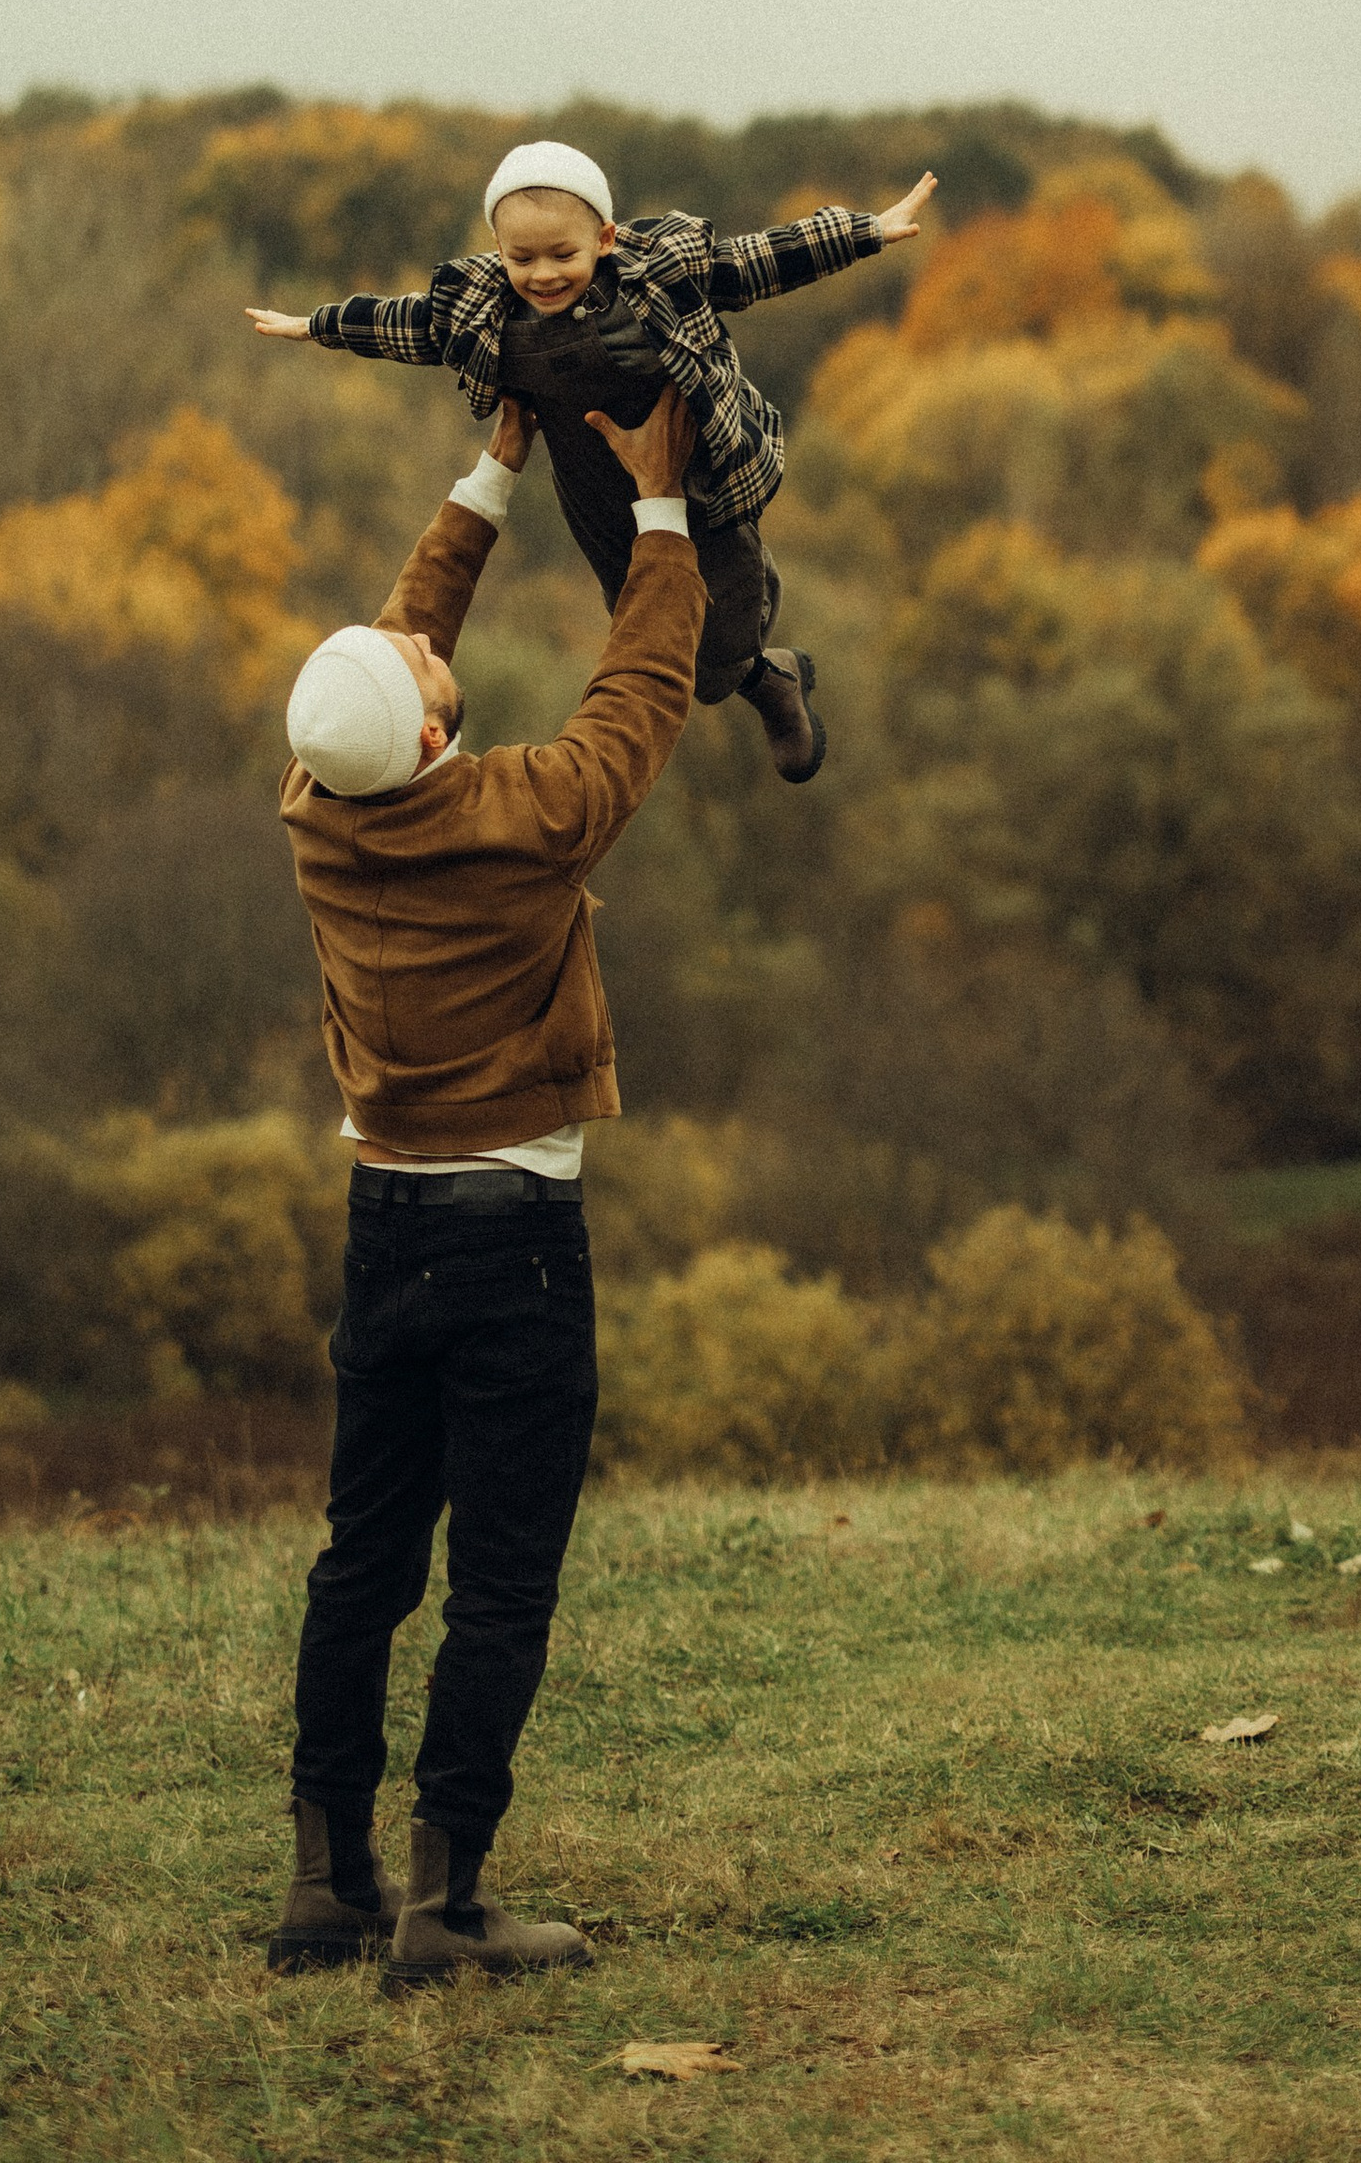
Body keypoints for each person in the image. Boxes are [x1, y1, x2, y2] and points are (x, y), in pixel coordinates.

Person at [266, 374, 701, 1989]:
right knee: (501, 1582)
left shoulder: (322, 812)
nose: (423, 644)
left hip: (384, 1227)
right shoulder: (528, 820)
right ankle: (445, 1909)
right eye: (427, 671)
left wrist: (493, 471)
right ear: (437, 733)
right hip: (511, 1240)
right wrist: (661, 508)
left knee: (363, 1563)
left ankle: (329, 1884)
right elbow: (642, 689)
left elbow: (378, 669)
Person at [249, 138, 937, 783]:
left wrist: (867, 231)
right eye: (522, 259)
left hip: (694, 474)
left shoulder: (657, 276)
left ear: (604, 239)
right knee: (649, 629)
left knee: (723, 626)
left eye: (562, 255)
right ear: (498, 251)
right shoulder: (487, 311)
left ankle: (761, 668)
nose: (543, 275)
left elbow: (757, 259)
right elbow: (410, 323)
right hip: (597, 497)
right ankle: (768, 675)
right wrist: (316, 325)